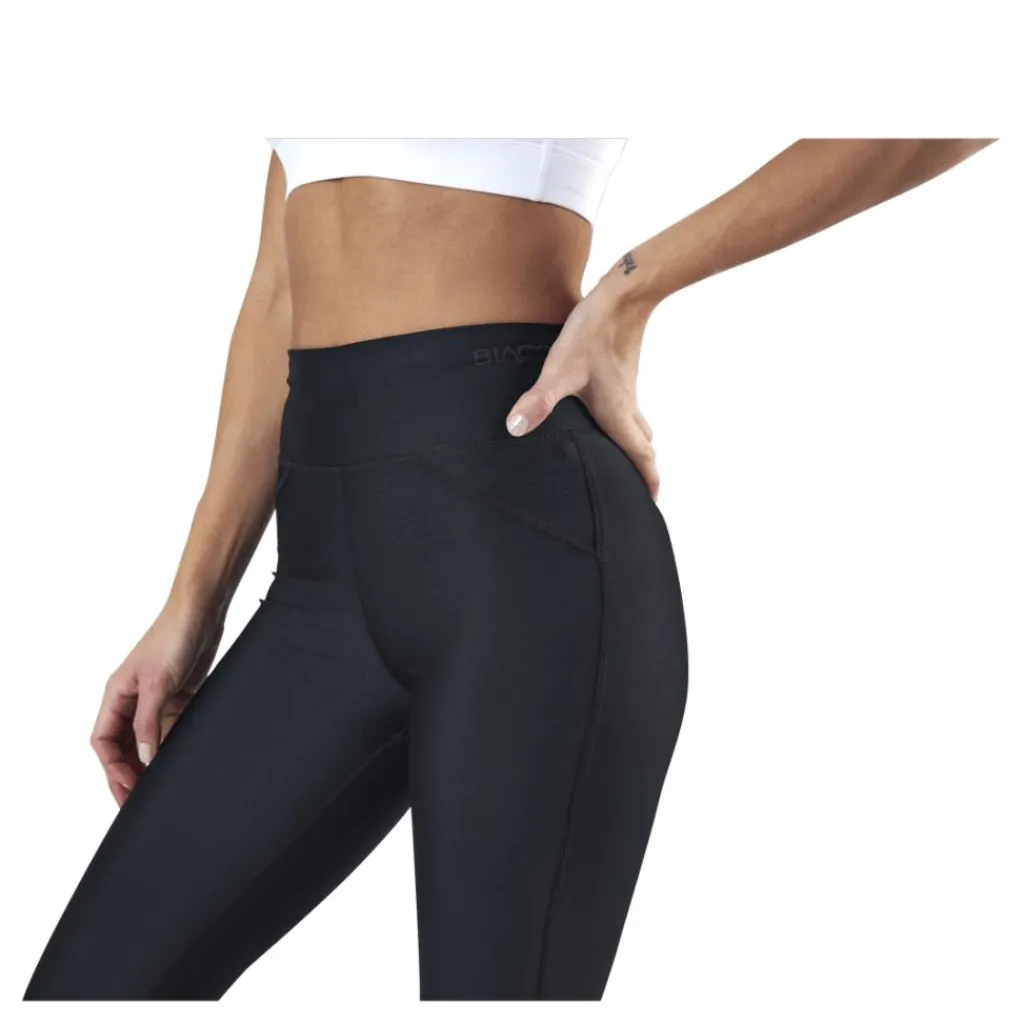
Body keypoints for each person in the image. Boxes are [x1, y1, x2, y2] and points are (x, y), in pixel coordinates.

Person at [23, 137, 995, 1001]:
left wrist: (635, 284)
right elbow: (280, 286)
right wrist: (192, 600)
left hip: (522, 549)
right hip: (320, 583)